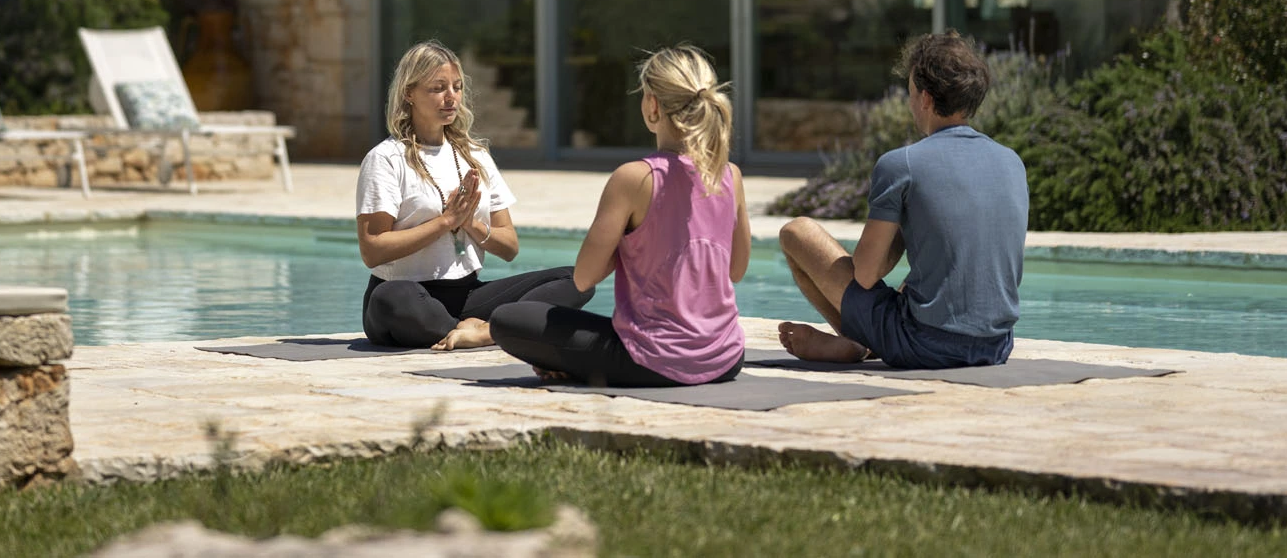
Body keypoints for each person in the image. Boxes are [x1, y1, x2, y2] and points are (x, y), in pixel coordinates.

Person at [490, 46, 750, 386]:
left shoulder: (635, 178)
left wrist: (630, 245)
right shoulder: (729, 174)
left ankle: (574, 365)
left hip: (652, 361)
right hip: (726, 358)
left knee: (509, 318)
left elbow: (583, 277)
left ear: (653, 105)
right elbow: (737, 269)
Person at [776, 31, 1028, 369]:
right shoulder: (1011, 161)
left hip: (924, 345)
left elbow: (865, 275)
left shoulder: (901, 164)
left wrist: (901, 230)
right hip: (996, 345)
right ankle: (861, 341)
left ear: (925, 98)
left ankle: (858, 344)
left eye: (909, 93)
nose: (909, 104)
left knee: (797, 232)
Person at [356, 41, 593, 349]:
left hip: (467, 295)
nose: (451, 97)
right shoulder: (386, 158)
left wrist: (470, 224)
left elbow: (509, 247)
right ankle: (487, 329)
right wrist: (446, 222)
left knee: (578, 279)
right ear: (409, 93)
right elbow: (372, 250)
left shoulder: (475, 156)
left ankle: (481, 331)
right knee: (391, 297)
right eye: (438, 88)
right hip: (407, 297)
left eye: (456, 87)